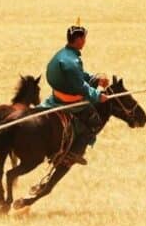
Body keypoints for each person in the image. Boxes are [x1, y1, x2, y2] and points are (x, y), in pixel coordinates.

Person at [37, 19, 108, 166]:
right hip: (69, 100)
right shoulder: (72, 62)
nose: (85, 41)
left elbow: (77, 76)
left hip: (56, 96)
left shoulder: (63, 54)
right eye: (84, 38)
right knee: (94, 121)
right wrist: (97, 95)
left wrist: (95, 79)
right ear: (78, 39)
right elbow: (79, 86)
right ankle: (73, 153)